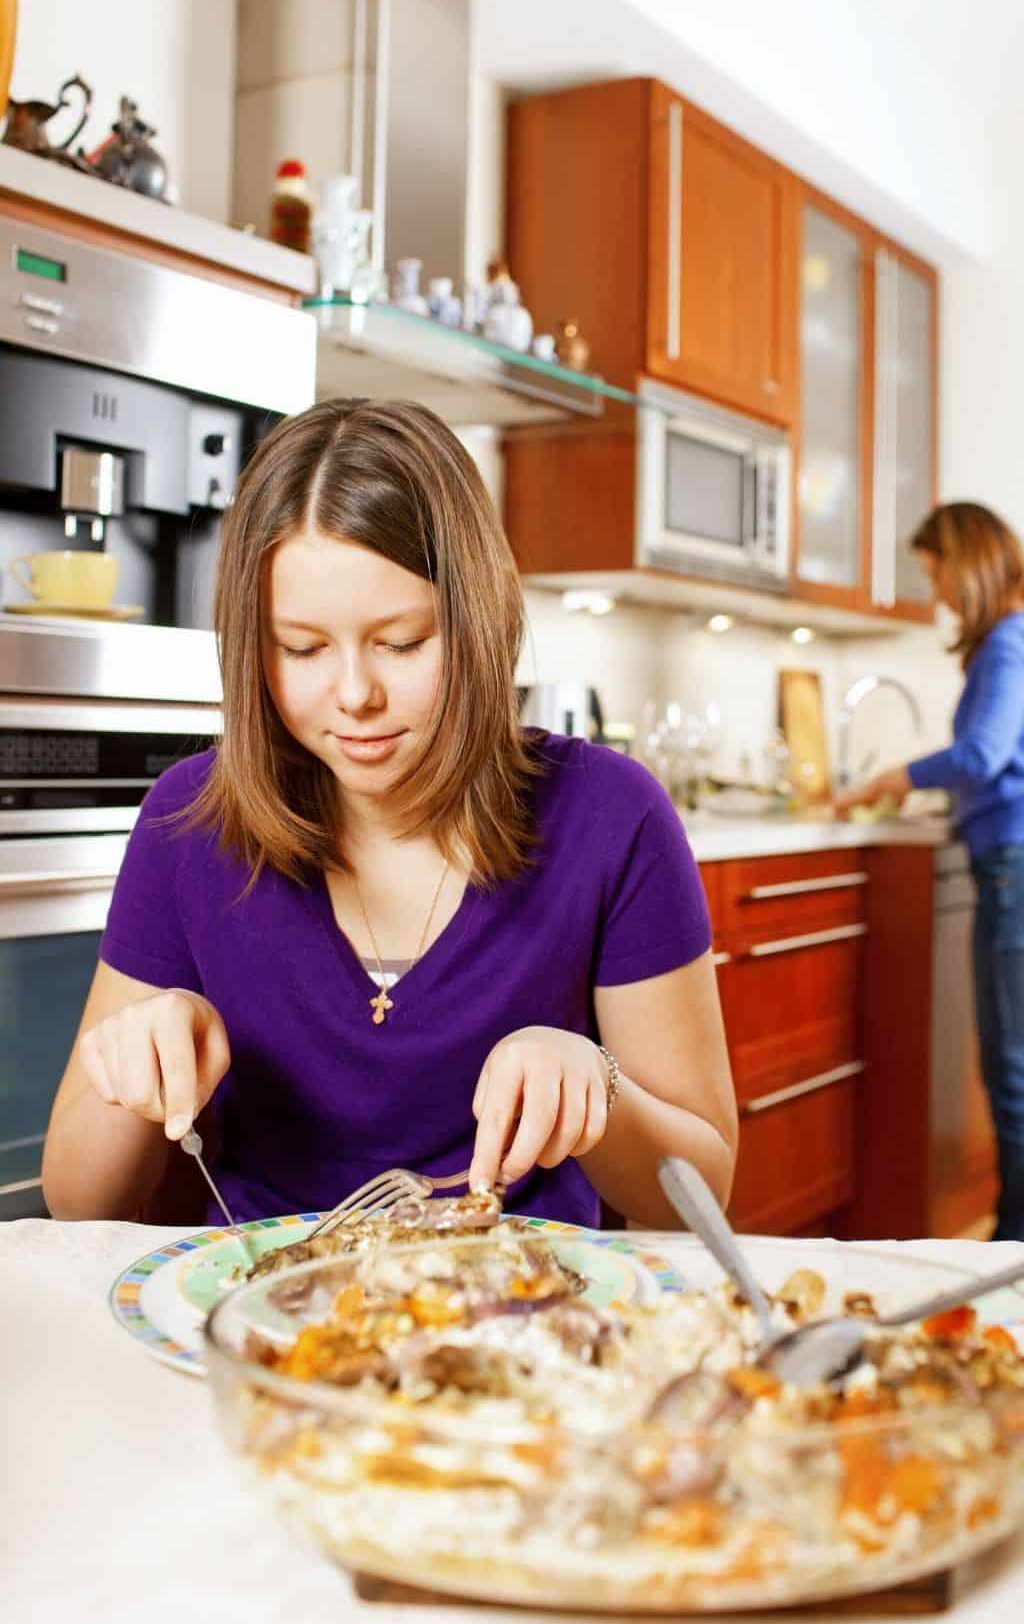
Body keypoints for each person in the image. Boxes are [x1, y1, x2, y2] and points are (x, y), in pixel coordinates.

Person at [42, 399, 737, 1229]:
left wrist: (598, 1087)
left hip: (531, 1328)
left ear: (477, 622)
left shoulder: (612, 817)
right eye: (300, 648)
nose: (355, 695)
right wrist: (139, 1070)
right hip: (260, 1322)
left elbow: (704, 1198)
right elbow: (76, 1202)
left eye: (402, 642)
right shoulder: (188, 822)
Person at [835, 502, 1024, 1241]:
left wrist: (892, 776)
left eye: (939, 573)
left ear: (968, 562)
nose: (940, 594)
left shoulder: (1012, 640)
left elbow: (981, 754)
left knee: (1021, 1078)